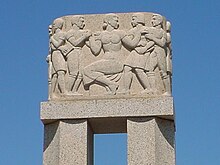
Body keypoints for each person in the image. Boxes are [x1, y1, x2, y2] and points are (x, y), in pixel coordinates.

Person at [83, 14, 128, 95]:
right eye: (116, 20)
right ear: (109, 21)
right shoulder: (101, 35)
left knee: (88, 70)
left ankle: (110, 84)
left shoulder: (121, 33)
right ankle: (110, 84)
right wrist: (90, 38)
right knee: (87, 70)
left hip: (117, 62)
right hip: (105, 61)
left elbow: (131, 44)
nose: (117, 23)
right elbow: (96, 51)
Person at [121, 13, 155, 94]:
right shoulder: (132, 31)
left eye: (133, 19)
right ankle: (126, 90)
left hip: (144, 52)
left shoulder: (147, 29)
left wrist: (145, 48)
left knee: (138, 69)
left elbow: (153, 41)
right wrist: (137, 47)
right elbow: (130, 43)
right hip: (136, 51)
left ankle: (148, 88)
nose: (132, 21)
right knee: (127, 68)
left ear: (139, 19)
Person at [144, 14, 171, 96]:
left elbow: (162, 43)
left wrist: (152, 38)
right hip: (153, 51)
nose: (152, 21)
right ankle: (152, 89)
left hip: (160, 52)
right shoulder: (151, 29)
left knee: (163, 72)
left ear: (159, 21)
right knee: (149, 69)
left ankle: (168, 91)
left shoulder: (162, 32)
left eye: (154, 19)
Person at [65, 15, 91, 95]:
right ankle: (67, 91)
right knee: (73, 73)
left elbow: (89, 45)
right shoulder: (69, 33)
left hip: (80, 52)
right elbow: (75, 43)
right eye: (81, 21)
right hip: (72, 52)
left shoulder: (82, 33)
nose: (83, 24)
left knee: (81, 73)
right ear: (75, 22)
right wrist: (85, 36)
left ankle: (74, 91)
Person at [50, 18, 67, 95]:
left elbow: (55, 46)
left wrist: (52, 39)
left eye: (54, 24)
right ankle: (63, 92)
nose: (53, 25)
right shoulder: (58, 35)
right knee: (60, 72)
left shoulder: (60, 34)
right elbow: (55, 46)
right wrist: (52, 39)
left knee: (56, 74)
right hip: (57, 54)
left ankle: (52, 93)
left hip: (57, 54)